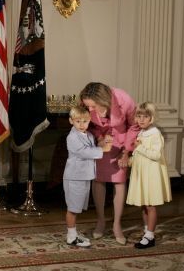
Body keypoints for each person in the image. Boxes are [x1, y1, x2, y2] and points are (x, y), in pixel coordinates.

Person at [79, 82, 140, 245]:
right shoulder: (87, 104)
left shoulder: (124, 99)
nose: (90, 109)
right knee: (98, 179)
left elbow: (134, 126)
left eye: (92, 106)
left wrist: (126, 152)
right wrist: (98, 137)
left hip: (121, 145)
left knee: (119, 182)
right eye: (88, 106)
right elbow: (87, 125)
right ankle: (100, 221)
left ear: (102, 100)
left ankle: (117, 225)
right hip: (101, 145)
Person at [126, 102, 172, 249]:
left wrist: (139, 147)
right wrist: (129, 161)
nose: (141, 119)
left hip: (151, 175)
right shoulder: (141, 133)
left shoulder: (155, 134)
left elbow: (155, 155)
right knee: (144, 205)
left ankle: (150, 236)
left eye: (145, 116)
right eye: (138, 116)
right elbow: (138, 155)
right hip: (142, 173)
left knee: (150, 206)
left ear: (152, 118)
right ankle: (147, 231)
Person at [63, 106, 107, 247]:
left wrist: (103, 143)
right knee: (73, 207)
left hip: (84, 176)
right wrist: (103, 149)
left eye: (85, 121)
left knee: (77, 207)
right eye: (78, 121)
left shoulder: (87, 135)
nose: (82, 125)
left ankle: (74, 233)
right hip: (75, 177)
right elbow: (84, 152)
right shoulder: (72, 137)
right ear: (71, 121)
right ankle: (71, 236)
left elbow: (91, 147)